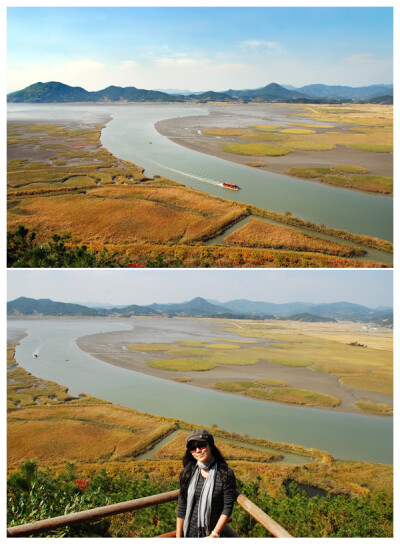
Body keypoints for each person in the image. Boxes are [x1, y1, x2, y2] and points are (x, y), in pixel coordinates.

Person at [176, 429, 237, 538]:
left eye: (201, 445)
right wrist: (178, 537)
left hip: (211, 535)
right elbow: (182, 506)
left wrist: (214, 535)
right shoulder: (188, 472)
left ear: (211, 446)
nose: (198, 450)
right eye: (193, 448)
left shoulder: (225, 473)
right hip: (189, 533)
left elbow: (227, 507)